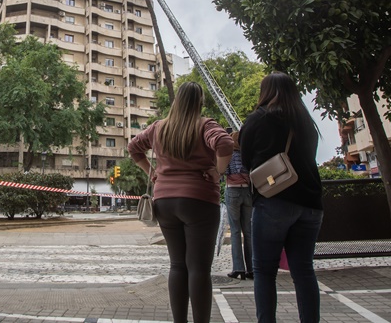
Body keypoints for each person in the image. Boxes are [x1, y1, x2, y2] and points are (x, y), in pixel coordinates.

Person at [128, 82, 233, 323]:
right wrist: (217, 172)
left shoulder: (159, 128)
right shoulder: (205, 125)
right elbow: (225, 143)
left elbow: (134, 148)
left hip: (164, 202)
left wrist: (152, 173)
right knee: (198, 268)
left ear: (176, 101)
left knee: (177, 265)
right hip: (199, 201)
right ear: (200, 102)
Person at [239, 71, 323, 323]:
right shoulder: (306, 122)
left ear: (265, 92)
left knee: (264, 272)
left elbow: (245, 160)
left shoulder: (258, 119)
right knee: (304, 270)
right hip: (311, 205)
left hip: (273, 200)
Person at [224, 130, 253, 280]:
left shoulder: (228, 155)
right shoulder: (247, 155)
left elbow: (224, 171)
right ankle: (252, 268)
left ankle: (238, 268)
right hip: (247, 192)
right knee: (248, 231)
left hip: (233, 191)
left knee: (235, 231)